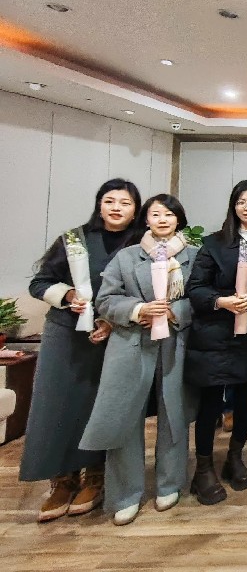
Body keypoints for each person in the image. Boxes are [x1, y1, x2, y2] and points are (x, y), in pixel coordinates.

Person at [20, 179, 142, 523]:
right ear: (99, 204)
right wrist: (68, 295)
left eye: (125, 203)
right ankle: (62, 480)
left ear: (136, 209)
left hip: (114, 336)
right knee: (57, 405)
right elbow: (40, 282)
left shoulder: (140, 243)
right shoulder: (74, 239)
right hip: (66, 336)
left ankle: (95, 476)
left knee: (99, 407)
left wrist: (113, 320)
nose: (116, 208)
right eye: (110, 201)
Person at [80, 194, 195, 526]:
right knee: (125, 415)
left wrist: (176, 310)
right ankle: (125, 493)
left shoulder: (193, 256)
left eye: (169, 214)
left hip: (176, 341)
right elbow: (105, 299)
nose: (162, 220)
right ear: (146, 219)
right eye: (156, 214)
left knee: (174, 413)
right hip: (131, 341)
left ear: (178, 219)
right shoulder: (127, 256)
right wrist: (138, 309)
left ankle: (169, 483)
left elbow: (202, 295)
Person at [185, 180, 247, 505]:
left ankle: (235, 456)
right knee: (211, 400)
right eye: (242, 202)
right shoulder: (213, 243)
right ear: (233, 206)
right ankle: (203, 468)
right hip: (214, 333)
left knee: (245, 395)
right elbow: (195, 288)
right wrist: (222, 301)